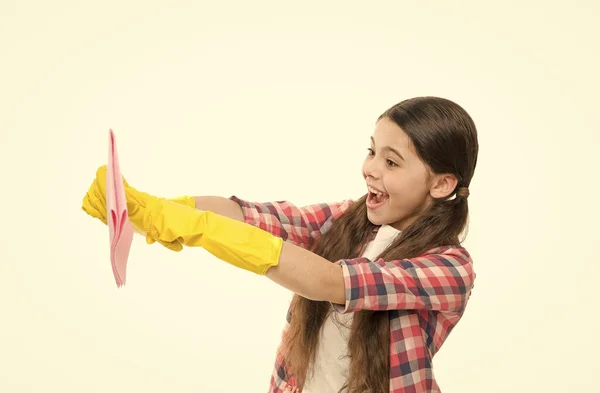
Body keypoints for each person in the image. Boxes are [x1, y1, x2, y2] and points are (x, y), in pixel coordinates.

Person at [82, 96, 479, 393]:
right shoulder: (350, 220)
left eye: (391, 163)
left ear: (441, 183)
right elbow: (266, 218)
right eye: (372, 151)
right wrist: (153, 208)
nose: (370, 168)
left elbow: (330, 282)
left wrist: (201, 229)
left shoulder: (448, 268)